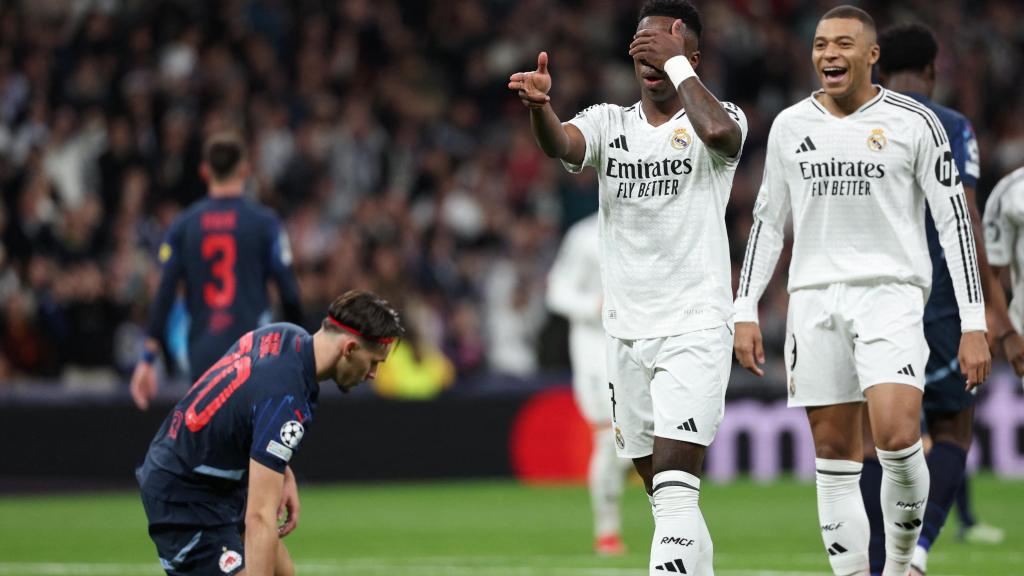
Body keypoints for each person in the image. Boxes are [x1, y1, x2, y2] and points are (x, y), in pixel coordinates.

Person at [732, 6, 991, 576]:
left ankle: (900, 564)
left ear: (871, 55)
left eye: (844, 44)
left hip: (892, 293)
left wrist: (974, 321)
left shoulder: (913, 123)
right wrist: (744, 308)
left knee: (899, 438)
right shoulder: (790, 125)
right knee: (834, 456)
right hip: (814, 299)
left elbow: (955, 224)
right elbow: (769, 222)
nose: (829, 54)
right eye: (821, 43)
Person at [509, 0, 747, 571]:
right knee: (660, 489)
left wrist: (677, 67)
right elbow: (561, 145)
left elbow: (723, 137)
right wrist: (542, 108)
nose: (647, 51)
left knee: (673, 483)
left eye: (662, 41)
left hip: (693, 323)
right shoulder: (609, 122)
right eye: (641, 43)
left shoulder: (718, 116)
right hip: (624, 332)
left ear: (692, 52)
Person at [860, 23, 1023, 576]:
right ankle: (918, 554)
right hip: (944, 305)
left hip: (872, 299)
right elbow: (969, 224)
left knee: (875, 437)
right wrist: (998, 321)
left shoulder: (858, 123)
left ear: (878, 71)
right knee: (952, 427)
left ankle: (878, 560)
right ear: (933, 72)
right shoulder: (951, 125)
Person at [136, 290, 403, 575]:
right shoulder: (287, 401)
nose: (373, 373)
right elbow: (260, 518)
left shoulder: (285, 335)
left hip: (214, 481)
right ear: (349, 349)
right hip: (184, 498)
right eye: (374, 361)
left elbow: (247, 403)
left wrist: (282, 470)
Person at [131, 132, 303, 410]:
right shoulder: (265, 223)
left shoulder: (183, 225)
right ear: (245, 170)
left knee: (209, 444)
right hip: (253, 353)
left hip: (203, 352)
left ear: (204, 171)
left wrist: (148, 358)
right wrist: (301, 351)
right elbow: (289, 291)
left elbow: (164, 292)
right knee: (253, 444)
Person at [546, 211, 634, 556]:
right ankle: (607, 533)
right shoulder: (584, 235)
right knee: (607, 439)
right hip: (595, 352)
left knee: (644, 439)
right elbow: (556, 291)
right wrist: (595, 305)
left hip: (641, 344)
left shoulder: (650, 214)